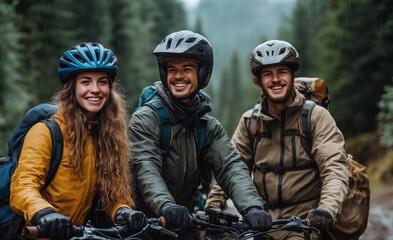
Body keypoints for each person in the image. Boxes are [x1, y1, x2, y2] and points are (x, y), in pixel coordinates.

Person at [129, 30, 272, 239]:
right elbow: (145, 167)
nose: (178, 76)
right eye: (172, 69)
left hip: (182, 222)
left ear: (202, 73)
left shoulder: (206, 126)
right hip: (143, 225)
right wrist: (165, 205)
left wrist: (252, 207)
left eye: (187, 69)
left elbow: (230, 166)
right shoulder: (146, 119)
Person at [205, 40, 350, 239]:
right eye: (267, 74)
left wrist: (326, 210)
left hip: (306, 222)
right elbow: (231, 169)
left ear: (292, 75)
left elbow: (334, 167)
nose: (275, 80)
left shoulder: (315, 117)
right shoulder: (250, 122)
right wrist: (213, 210)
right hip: (263, 223)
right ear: (259, 81)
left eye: (282, 72)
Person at [10, 42, 146, 239]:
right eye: (85, 82)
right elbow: (23, 185)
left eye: (102, 81)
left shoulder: (108, 135)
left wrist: (123, 211)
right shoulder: (46, 132)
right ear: (71, 87)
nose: (95, 89)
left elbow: (114, 194)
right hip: (41, 233)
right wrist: (44, 213)